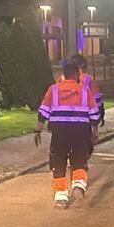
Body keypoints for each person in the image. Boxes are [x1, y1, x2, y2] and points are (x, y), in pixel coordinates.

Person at [34, 60, 103, 209]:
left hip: (59, 133)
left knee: (58, 163)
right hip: (81, 133)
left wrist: (37, 130)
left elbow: (43, 112)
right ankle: (78, 187)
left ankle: (61, 198)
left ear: (64, 75)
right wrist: (95, 132)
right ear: (77, 74)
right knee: (79, 161)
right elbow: (94, 115)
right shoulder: (85, 91)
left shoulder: (54, 90)